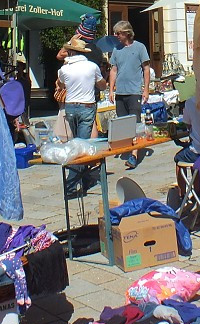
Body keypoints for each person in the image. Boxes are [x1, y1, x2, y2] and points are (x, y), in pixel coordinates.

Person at [57, 37, 106, 198]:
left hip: (71, 106)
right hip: (87, 106)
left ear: (71, 52)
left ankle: (84, 179)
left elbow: (62, 84)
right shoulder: (92, 67)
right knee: (81, 146)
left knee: (76, 141)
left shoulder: (64, 69)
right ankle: (71, 185)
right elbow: (101, 85)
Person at [108, 20, 151, 169]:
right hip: (120, 92)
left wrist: (146, 89)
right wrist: (111, 90)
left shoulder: (140, 47)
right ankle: (126, 148)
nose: (116, 36)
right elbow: (113, 70)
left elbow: (146, 68)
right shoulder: (116, 49)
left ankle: (134, 155)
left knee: (135, 123)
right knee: (123, 123)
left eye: (118, 33)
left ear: (127, 33)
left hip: (134, 92)